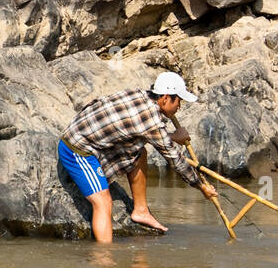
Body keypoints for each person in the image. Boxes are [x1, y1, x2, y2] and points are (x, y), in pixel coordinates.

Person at [59, 72, 218, 242]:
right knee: (104, 202)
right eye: (178, 101)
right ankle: (103, 260)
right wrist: (201, 187)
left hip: (91, 136)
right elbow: (176, 161)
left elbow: (139, 130)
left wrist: (171, 136)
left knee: (140, 153)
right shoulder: (152, 122)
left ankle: (140, 210)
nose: (179, 107)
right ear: (165, 98)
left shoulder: (141, 94)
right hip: (77, 149)